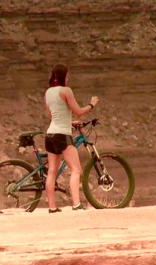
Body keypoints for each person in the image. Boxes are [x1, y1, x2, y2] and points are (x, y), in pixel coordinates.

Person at [44, 64, 99, 213]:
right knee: (76, 169)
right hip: (62, 135)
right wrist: (91, 105)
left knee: (52, 171)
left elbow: (52, 116)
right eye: (68, 75)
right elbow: (79, 112)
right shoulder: (66, 91)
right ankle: (76, 204)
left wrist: (69, 122)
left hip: (50, 134)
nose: (69, 78)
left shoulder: (48, 92)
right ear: (63, 76)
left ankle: (52, 207)